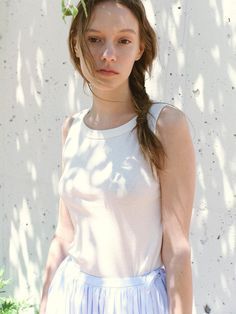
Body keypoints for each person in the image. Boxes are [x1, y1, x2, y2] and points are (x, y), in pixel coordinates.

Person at [39, 0, 196, 313]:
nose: (107, 54)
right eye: (94, 39)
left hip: (138, 302)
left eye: (123, 40)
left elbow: (177, 248)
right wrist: (43, 305)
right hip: (70, 298)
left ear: (140, 47)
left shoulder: (164, 125)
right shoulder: (71, 129)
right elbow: (64, 233)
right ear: (76, 43)